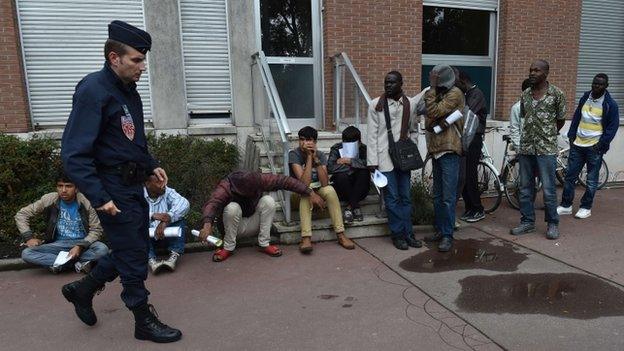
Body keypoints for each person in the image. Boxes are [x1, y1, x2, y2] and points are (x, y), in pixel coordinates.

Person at [60, 21, 181, 343]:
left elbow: (131, 141)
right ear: (114, 58)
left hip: (131, 185)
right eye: (136, 60)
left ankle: (83, 289)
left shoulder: (128, 91)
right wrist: (99, 197)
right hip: (111, 188)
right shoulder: (93, 90)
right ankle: (143, 320)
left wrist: (151, 166)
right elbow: (73, 154)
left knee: (134, 247)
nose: (143, 67)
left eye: (143, 60)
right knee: (133, 256)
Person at [199, 171, 325, 261]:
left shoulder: (261, 179)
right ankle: (228, 247)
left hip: (253, 222)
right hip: (234, 228)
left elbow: (285, 181)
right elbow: (213, 203)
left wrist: (310, 192)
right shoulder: (226, 186)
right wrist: (207, 224)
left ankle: (264, 243)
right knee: (232, 208)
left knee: (268, 201)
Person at [510, 60, 566, 240]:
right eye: (531, 70)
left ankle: (552, 224)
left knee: (549, 189)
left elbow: (560, 120)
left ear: (546, 73)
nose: (532, 73)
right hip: (526, 149)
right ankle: (527, 222)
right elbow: (524, 118)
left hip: (546, 149)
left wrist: (547, 135)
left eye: (537, 70)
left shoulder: (556, 94)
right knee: (525, 188)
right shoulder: (525, 94)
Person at [367, 71, 422, 251]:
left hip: (404, 159)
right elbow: (372, 135)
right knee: (392, 198)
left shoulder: (410, 104)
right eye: (386, 83)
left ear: (401, 84)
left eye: (391, 83)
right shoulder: (376, 105)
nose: (387, 86)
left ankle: (409, 234)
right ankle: (397, 235)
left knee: (406, 197)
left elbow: (414, 129)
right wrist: (372, 162)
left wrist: (411, 149)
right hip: (383, 158)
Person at [15, 172, 108, 274]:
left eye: (68, 186)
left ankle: (59, 264)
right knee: (27, 254)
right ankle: (78, 263)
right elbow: (21, 214)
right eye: (60, 186)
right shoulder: (49, 199)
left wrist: (80, 246)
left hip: (83, 244)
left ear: (76, 188)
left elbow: (96, 230)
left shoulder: (87, 202)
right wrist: (28, 237)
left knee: (102, 250)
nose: (63, 190)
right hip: (58, 245)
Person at [557, 73, 619, 219]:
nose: (596, 86)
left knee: (591, 180)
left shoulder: (610, 105)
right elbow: (577, 117)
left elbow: (612, 128)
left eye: (600, 84)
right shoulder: (585, 97)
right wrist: (572, 136)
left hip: (594, 147)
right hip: (578, 144)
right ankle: (566, 205)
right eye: (594, 83)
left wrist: (600, 145)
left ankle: (586, 207)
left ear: (606, 86)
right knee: (570, 177)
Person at [289, 126, 356, 253]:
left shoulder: (320, 155)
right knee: (305, 194)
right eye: (301, 139)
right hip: (297, 193)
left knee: (330, 190)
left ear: (314, 142)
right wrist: (309, 158)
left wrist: (316, 160)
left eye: (308, 140)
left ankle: (340, 234)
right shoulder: (294, 154)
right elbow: (304, 183)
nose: (304, 143)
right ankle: (306, 238)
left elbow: (325, 183)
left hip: (318, 188)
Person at [422, 65, 465, 252]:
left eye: (435, 79)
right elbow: (425, 114)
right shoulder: (438, 94)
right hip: (436, 149)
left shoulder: (454, 93)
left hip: (449, 149)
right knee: (438, 195)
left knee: (448, 197)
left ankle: (447, 235)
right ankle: (440, 230)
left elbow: (432, 112)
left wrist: (431, 88)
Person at [455, 70, 488, 223]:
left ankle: (477, 208)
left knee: (470, 175)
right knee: (465, 175)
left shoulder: (476, 94)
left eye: (456, 83)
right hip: (465, 138)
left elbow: (467, 115)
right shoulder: (467, 94)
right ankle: (470, 207)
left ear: (463, 81)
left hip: (473, 139)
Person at [144, 175, 190, 274]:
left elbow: (184, 204)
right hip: (147, 240)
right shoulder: (138, 194)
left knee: (179, 219)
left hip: (166, 236)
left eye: (163, 181)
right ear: (147, 184)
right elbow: (130, 213)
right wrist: (152, 215)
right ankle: (151, 260)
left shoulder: (167, 191)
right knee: (135, 225)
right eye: (158, 182)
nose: (163, 185)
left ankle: (172, 258)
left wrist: (167, 218)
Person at [327, 126, 370, 223]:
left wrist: (349, 161)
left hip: (361, 189)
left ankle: (349, 208)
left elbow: (369, 164)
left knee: (363, 173)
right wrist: (355, 166)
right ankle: (355, 206)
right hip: (342, 188)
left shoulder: (364, 149)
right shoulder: (336, 148)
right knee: (341, 175)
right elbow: (330, 168)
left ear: (359, 142)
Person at [509, 79, 533, 150]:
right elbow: (514, 130)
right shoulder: (517, 108)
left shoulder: (543, 106)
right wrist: (519, 148)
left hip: (542, 150)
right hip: (525, 149)